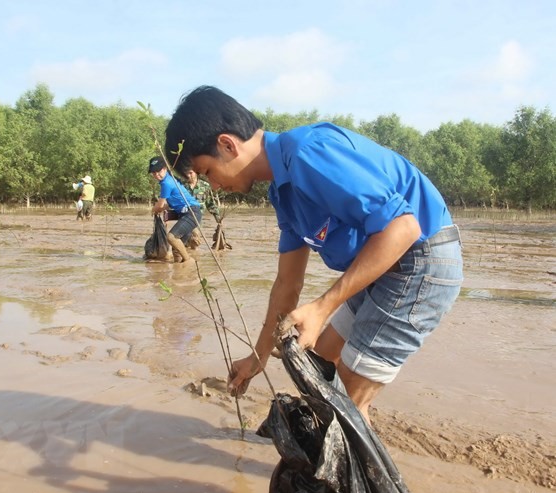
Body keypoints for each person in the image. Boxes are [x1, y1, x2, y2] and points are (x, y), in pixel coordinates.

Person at [164, 85, 463, 423]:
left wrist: (322, 307)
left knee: (348, 397)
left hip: (420, 260)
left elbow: (403, 228)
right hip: (385, 265)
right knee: (321, 362)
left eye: (207, 172)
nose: (213, 186)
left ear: (227, 144)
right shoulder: (283, 191)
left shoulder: (309, 152)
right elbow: (287, 284)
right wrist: (257, 358)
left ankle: (351, 474)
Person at [148, 156, 202, 263]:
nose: (156, 175)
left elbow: (160, 205)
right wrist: (163, 213)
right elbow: (171, 204)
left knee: (171, 237)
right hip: (185, 213)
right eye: (153, 173)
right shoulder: (170, 179)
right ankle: (179, 272)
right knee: (176, 250)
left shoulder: (166, 183)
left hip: (191, 213)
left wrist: (153, 210)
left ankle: (188, 261)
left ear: (165, 169)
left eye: (158, 171)